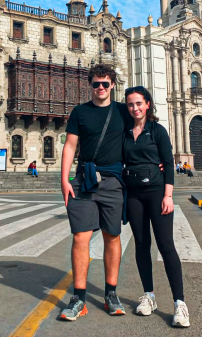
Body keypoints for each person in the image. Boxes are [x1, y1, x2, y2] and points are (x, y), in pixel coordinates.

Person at [60, 64, 130, 321]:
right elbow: (70, 146)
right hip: (84, 179)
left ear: (112, 85)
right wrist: (64, 180)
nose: (100, 87)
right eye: (96, 84)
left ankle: (111, 293)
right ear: (90, 85)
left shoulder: (122, 111)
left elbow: (142, 132)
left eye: (105, 83)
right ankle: (79, 298)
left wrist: (159, 160)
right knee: (81, 237)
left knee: (112, 236)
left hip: (113, 181)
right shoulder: (80, 112)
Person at [124, 86, 190, 328]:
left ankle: (180, 303)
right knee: (141, 245)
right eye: (130, 104)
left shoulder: (157, 130)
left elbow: (168, 163)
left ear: (148, 104)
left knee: (166, 245)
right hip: (134, 194)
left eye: (139, 103)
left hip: (157, 192)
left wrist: (168, 195)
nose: (135, 108)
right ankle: (149, 296)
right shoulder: (124, 132)